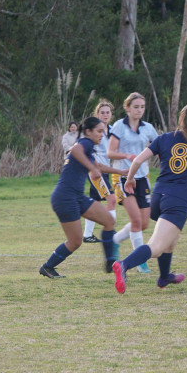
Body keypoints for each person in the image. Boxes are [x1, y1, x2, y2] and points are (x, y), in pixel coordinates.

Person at [112, 104, 187, 294]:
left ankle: (164, 276)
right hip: (178, 201)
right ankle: (124, 265)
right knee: (156, 247)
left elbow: (137, 160)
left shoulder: (164, 138)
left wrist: (129, 180)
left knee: (171, 239)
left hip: (158, 197)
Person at [40, 117, 120, 279]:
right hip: (65, 198)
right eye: (98, 131)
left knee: (108, 221)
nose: (101, 135)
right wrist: (92, 168)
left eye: (103, 131)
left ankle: (111, 262)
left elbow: (99, 167)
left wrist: (124, 172)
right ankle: (47, 267)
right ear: (88, 131)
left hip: (76, 196)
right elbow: (74, 151)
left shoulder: (89, 147)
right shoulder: (86, 143)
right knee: (75, 241)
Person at [107, 92, 158, 273]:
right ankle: (139, 261)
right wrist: (126, 156)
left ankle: (115, 240)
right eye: (136, 107)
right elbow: (110, 153)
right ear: (127, 108)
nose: (139, 110)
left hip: (142, 178)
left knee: (143, 223)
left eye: (142, 107)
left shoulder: (148, 128)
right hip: (122, 177)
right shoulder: (120, 126)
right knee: (136, 220)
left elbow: (159, 146)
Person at [83, 99, 119, 243]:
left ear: (111, 114)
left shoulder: (112, 131)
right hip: (95, 173)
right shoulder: (93, 132)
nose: (105, 115)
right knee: (111, 199)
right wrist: (93, 165)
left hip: (106, 171)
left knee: (94, 202)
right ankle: (111, 231)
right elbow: (84, 150)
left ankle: (87, 235)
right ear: (97, 114)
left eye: (107, 112)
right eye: (102, 112)